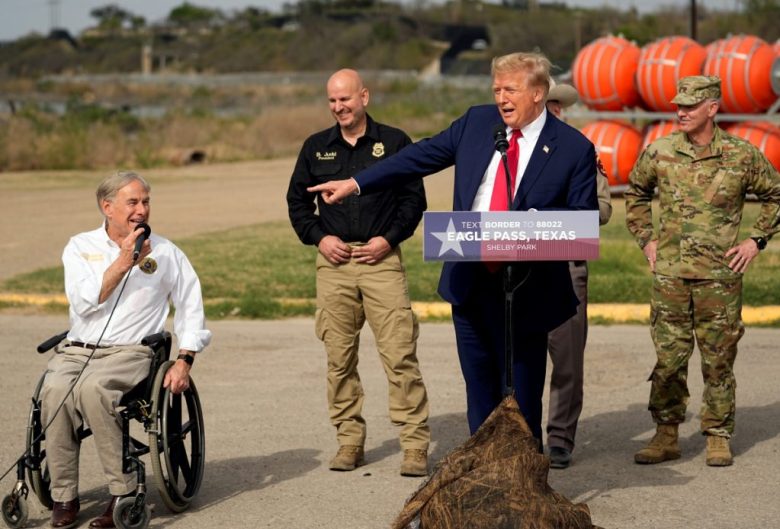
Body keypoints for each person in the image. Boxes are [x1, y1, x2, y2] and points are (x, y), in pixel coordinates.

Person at [308, 52, 598, 448]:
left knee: (523, 393)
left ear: (538, 93)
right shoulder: (478, 123)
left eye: (510, 89)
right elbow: (418, 157)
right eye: (496, 89)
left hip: (528, 287)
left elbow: (583, 219)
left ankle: (524, 478)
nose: (501, 98)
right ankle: (480, 474)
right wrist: (357, 183)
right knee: (479, 388)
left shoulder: (572, 148)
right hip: (472, 280)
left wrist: (532, 226)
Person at [41, 171, 211, 529]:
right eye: (133, 202)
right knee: (55, 391)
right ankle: (63, 495)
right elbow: (85, 303)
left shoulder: (167, 252)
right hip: (78, 350)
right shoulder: (79, 246)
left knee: (93, 390)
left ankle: (124, 491)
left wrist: (185, 360)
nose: (142, 210)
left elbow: (191, 308)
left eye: (146, 202)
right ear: (108, 207)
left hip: (131, 353)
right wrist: (123, 261)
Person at [626, 75, 780, 467]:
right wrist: (646, 239)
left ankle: (717, 434)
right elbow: (636, 194)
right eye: (678, 105)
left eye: (690, 106)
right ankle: (666, 434)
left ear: (712, 109)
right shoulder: (659, 152)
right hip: (671, 276)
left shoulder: (742, 155)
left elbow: (776, 195)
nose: (681, 111)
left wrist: (755, 241)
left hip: (720, 278)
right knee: (669, 360)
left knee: (718, 359)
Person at [286, 69, 430, 477]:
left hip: (380, 260)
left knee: (400, 355)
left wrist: (388, 239)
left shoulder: (395, 142)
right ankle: (349, 441)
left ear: (364, 96)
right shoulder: (316, 147)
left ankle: (415, 445)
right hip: (334, 264)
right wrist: (319, 238)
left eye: (345, 99)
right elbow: (297, 204)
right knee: (339, 358)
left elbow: (412, 202)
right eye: (332, 101)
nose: (339, 107)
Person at [544, 81, 613, 469]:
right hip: (520, 266)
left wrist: (566, 207)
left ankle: (559, 438)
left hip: (567, 262)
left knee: (567, 357)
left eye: (555, 106)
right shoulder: (509, 150)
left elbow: (603, 209)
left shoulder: (580, 150)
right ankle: (517, 433)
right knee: (519, 356)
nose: (551, 112)